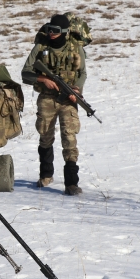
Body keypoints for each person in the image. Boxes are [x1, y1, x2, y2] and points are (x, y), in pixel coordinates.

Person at [21, 14, 87, 195]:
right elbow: (25, 73)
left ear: (65, 32)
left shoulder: (75, 49)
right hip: (47, 98)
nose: (51, 34)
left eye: (56, 31)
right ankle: (46, 175)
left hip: (68, 98)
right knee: (45, 135)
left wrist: (77, 90)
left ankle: (71, 183)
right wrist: (43, 79)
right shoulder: (41, 47)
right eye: (49, 29)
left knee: (69, 137)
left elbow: (82, 73)